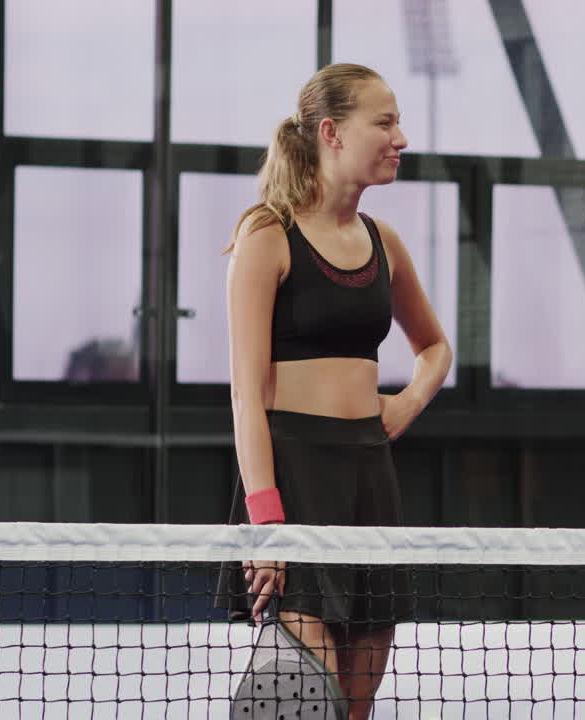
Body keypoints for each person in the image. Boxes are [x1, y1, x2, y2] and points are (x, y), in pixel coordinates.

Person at [214, 63, 452, 719]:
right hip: (292, 475)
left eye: (398, 121)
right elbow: (245, 397)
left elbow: (435, 348)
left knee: (354, 705)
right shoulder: (266, 235)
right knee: (304, 698)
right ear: (332, 132)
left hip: (369, 477)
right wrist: (268, 528)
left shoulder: (386, 243)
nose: (400, 137)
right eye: (385, 122)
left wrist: (406, 403)